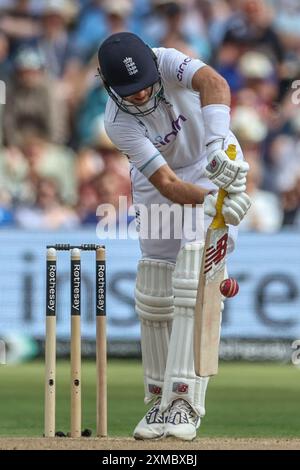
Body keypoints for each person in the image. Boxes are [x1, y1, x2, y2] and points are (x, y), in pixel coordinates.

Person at [98, 32, 251, 441]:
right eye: (130, 92)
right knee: (153, 287)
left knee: (194, 274)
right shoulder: (116, 121)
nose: (143, 93)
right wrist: (216, 201)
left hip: (211, 159)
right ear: (109, 87)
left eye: (146, 82)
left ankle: (184, 402)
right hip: (160, 183)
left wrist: (219, 148)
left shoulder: (166, 60)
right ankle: (158, 400)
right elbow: (166, 183)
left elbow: (214, 83)